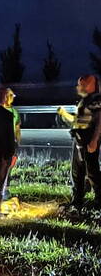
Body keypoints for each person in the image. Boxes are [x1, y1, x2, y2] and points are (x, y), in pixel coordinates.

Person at [58, 74, 101, 210]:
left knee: (92, 173)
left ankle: (99, 202)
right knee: (77, 173)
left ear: (89, 84)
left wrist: (94, 140)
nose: (78, 87)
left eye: (81, 84)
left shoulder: (96, 100)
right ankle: (77, 201)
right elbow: (78, 122)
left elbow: (100, 122)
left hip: (88, 142)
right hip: (79, 142)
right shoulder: (85, 101)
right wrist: (64, 114)